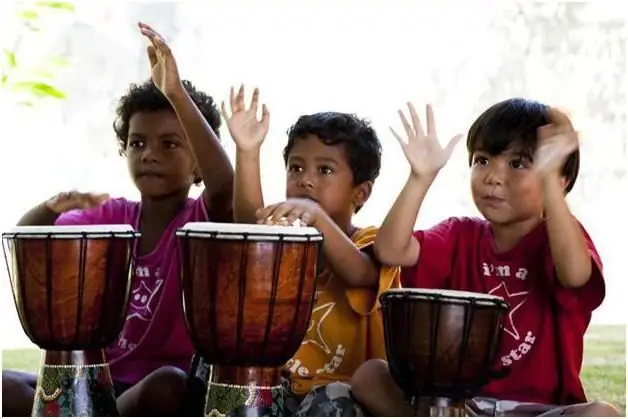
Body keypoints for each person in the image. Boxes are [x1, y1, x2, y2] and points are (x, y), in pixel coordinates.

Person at [1, 22, 233, 417]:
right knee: (5, 383)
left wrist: (174, 93)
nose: (148, 154)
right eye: (137, 143)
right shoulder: (111, 216)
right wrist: (54, 206)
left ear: (197, 163)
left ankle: (83, 411)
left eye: (169, 144)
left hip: (155, 388)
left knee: (168, 388)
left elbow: (225, 183)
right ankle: (84, 408)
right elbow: (28, 238)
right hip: (96, 377)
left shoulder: (202, 221)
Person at [349, 99, 621, 417]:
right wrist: (419, 178)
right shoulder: (459, 235)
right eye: (482, 160)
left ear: (560, 182)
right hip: (458, 407)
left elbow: (575, 275)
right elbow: (392, 250)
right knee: (369, 375)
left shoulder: (562, 240)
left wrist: (549, 182)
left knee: (601, 413)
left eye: (518, 163)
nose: (493, 177)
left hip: (539, 411)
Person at [221, 85, 400, 416]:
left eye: (325, 170)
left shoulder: (371, 240)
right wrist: (247, 151)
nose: (305, 180)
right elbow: (251, 229)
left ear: (361, 193)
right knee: (215, 366)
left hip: (340, 394)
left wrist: (315, 215)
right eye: (296, 168)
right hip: (282, 390)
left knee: (334, 401)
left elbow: (360, 273)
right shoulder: (289, 243)